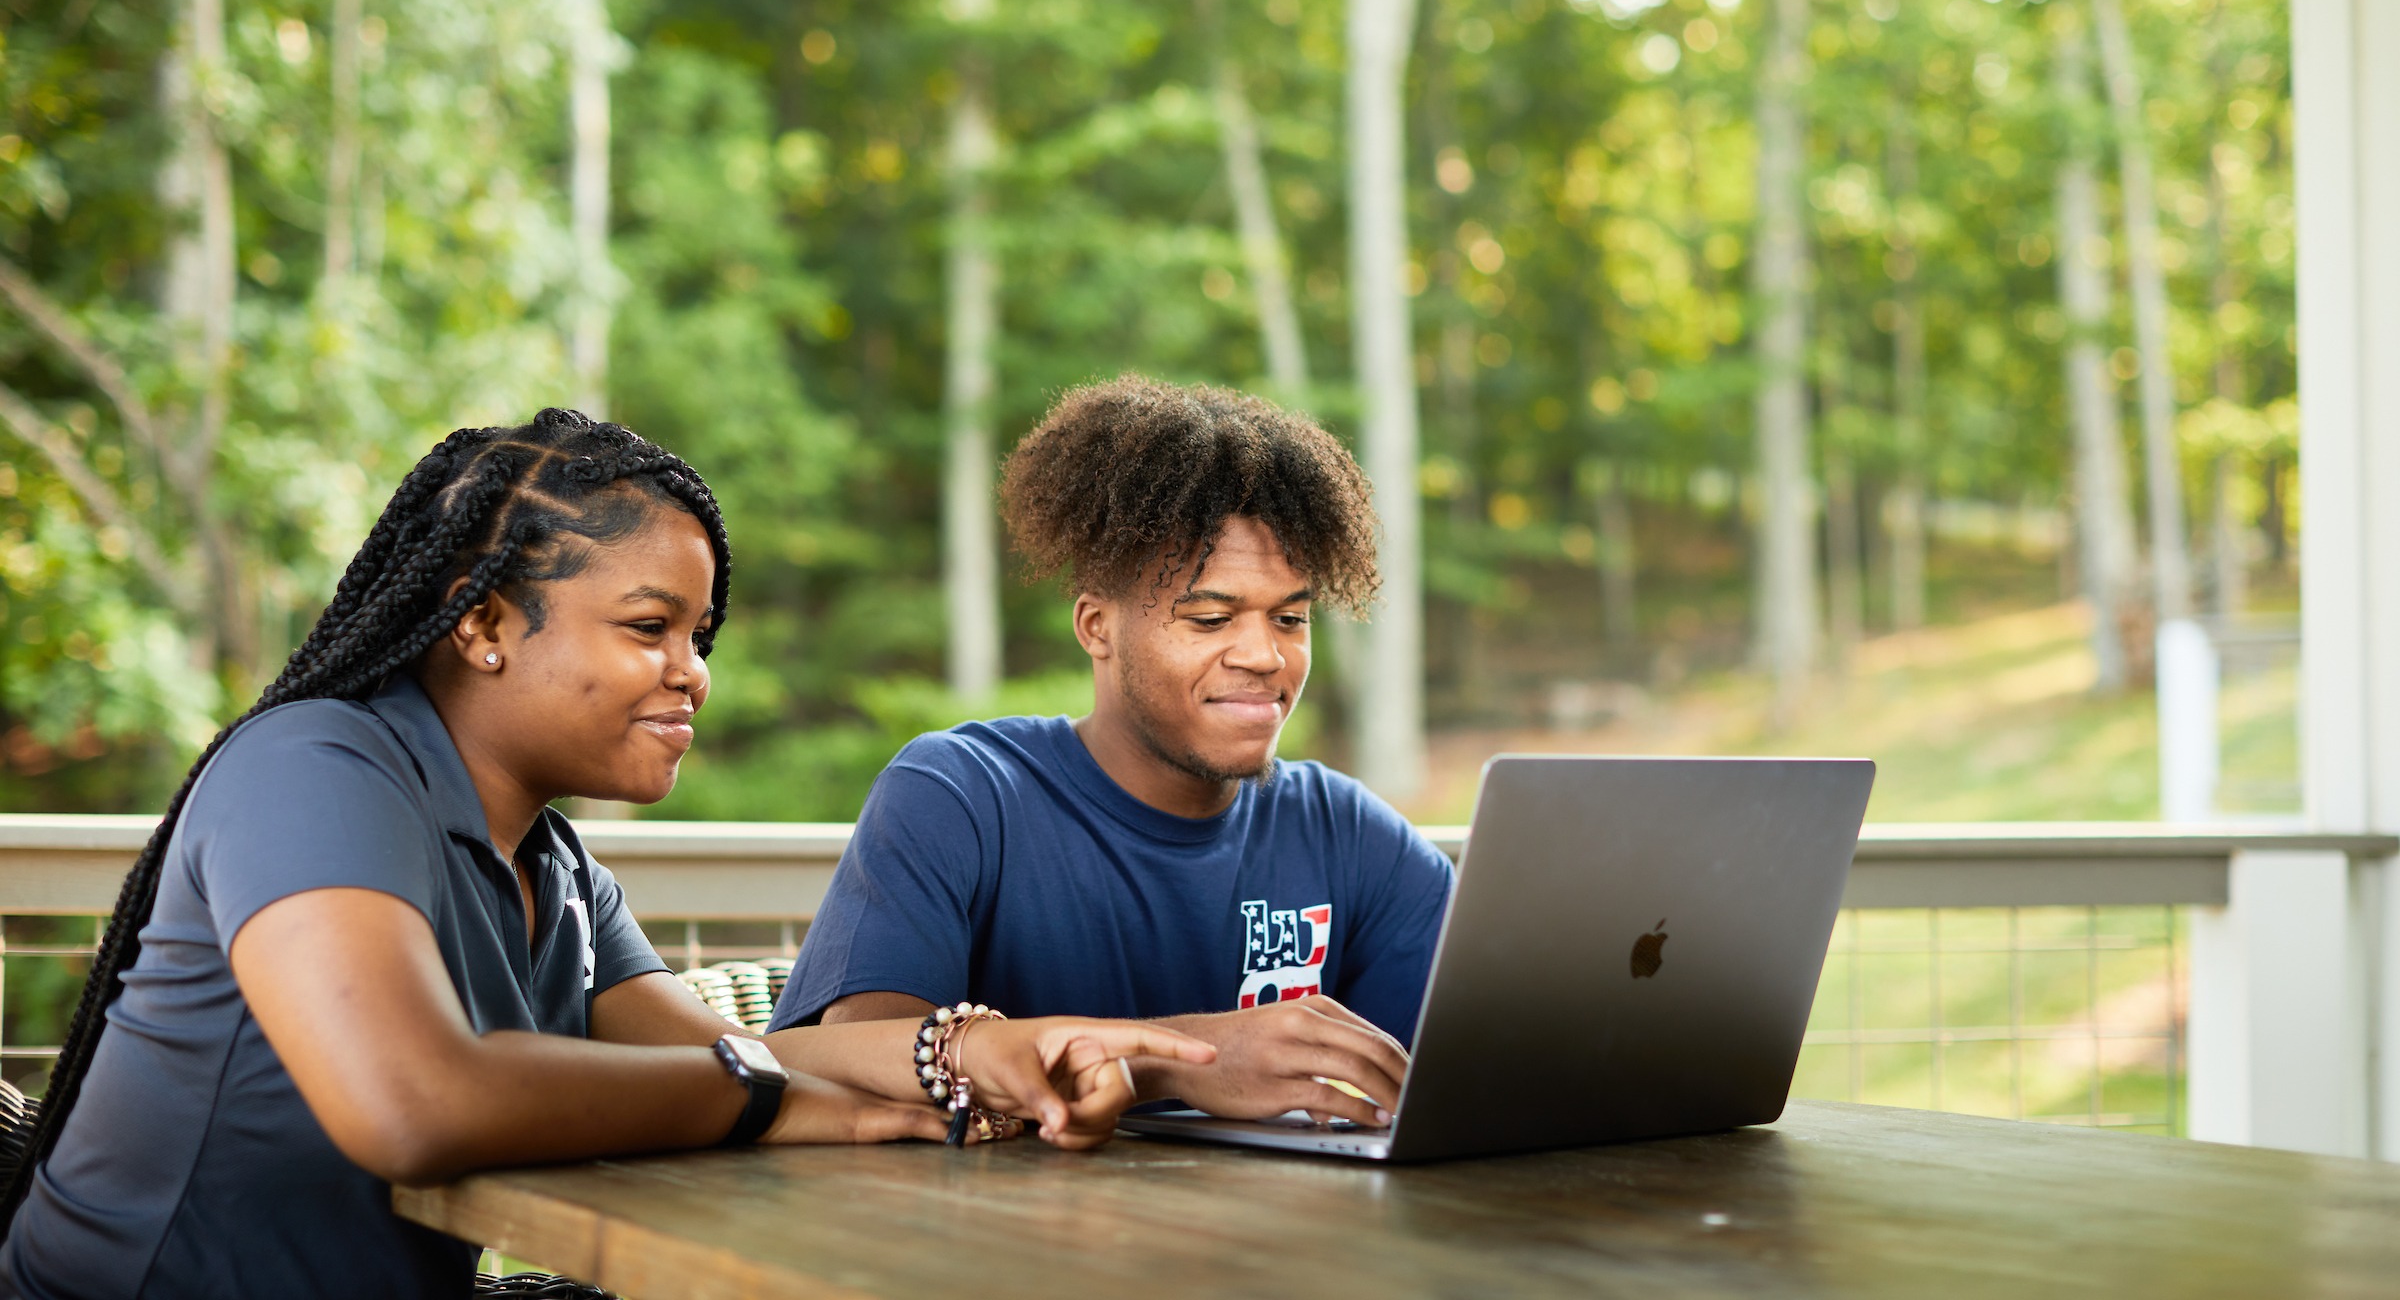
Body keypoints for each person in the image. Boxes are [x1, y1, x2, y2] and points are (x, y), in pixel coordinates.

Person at [0, 410, 1209, 1300]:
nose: (695, 672)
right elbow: (414, 1104)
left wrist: (981, 1056)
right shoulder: (312, 766)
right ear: (480, 621)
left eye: (701, 635)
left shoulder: (557, 869)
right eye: (651, 628)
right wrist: (771, 1103)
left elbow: (745, 1056)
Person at [770, 376, 1455, 1129]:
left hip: (1285, 1241)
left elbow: (1487, 1044)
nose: (1266, 654)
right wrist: (1183, 1060)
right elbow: (846, 1067)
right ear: (1097, 627)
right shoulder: (962, 797)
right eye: (1210, 618)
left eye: (1290, 618)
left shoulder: (1346, 832)